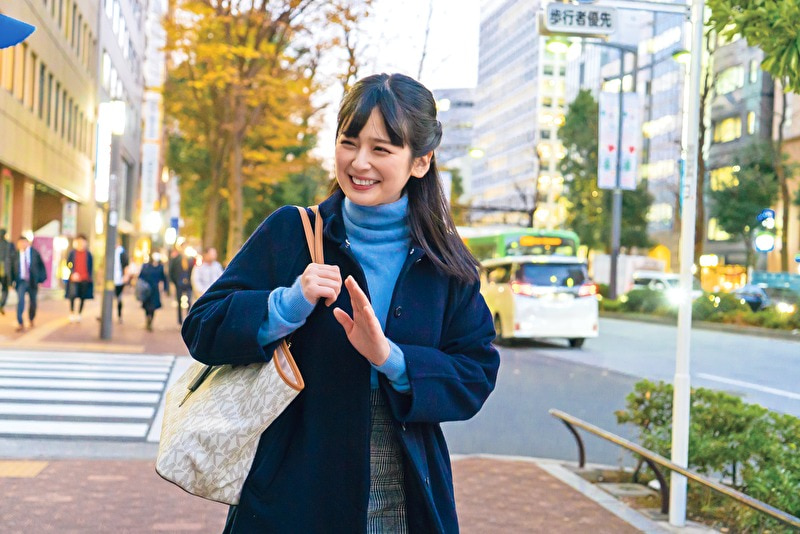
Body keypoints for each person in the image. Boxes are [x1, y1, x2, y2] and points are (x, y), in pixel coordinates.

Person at [182, 73, 500, 533]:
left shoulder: (445, 262)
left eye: (382, 150)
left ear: (420, 162)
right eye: (349, 142)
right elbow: (202, 328)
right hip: (294, 489)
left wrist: (391, 359)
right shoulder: (293, 231)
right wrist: (286, 305)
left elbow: (476, 372)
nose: (359, 162)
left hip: (403, 488)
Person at [11, 236, 47, 332]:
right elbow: (11, 269)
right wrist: (10, 282)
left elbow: (42, 267)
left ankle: (31, 319)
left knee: (33, 302)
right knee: (20, 301)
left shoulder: (35, 253)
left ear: (28, 243)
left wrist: (41, 280)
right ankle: (20, 322)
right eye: (20, 243)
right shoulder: (15, 255)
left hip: (32, 281)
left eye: (24, 242)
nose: (22, 244)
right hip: (21, 281)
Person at [65, 234, 94, 322]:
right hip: (74, 278)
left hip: (85, 278)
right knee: (72, 295)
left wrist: (89, 277)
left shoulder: (88, 254)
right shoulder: (72, 253)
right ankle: (72, 312)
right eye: (79, 241)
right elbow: (69, 264)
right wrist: (72, 272)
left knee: (82, 296)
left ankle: (79, 313)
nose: (81, 243)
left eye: (83, 241)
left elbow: (90, 267)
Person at [138, 252, 168, 332]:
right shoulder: (146, 266)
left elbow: (164, 278)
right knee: (147, 306)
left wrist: (165, 289)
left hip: (155, 289)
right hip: (147, 289)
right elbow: (141, 276)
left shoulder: (160, 267)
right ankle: (148, 319)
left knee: (153, 307)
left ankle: (150, 321)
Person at [168, 245, 194, 325]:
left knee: (189, 301)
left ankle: (188, 318)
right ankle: (180, 320)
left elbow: (193, 270)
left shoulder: (191, 259)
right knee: (179, 302)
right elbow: (171, 271)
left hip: (189, 283)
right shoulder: (175, 259)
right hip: (179, 283)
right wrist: (175, 282)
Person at [113, 242, 130, 323]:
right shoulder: (111, 252)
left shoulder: (122, 253)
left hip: (119, 278)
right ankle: (106, 315)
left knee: (119, 298)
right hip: (111, 278)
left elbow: (126, 265)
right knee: (109, 297)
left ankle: (119, 316)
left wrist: (126, 276)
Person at [0, 229, 12, 314]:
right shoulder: (9, 245)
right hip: (5, 270)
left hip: (4, 269)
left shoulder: (9, 245)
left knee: (5, 288)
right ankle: (1, 304)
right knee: (5, 289)